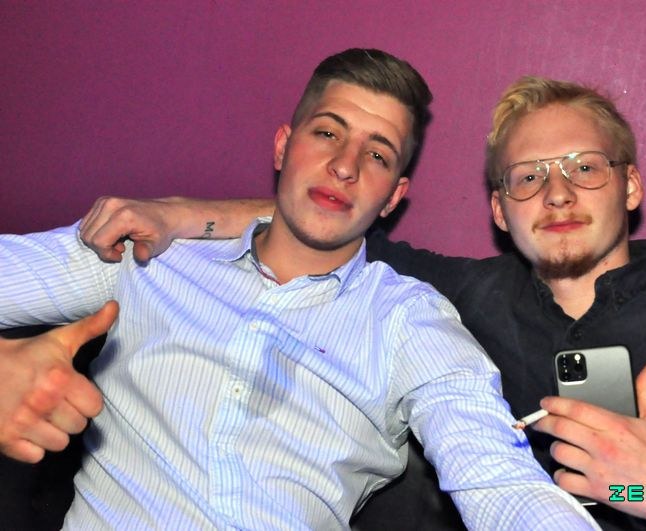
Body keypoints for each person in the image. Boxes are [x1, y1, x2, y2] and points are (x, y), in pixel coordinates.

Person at [78, 75, 646, 530]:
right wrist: (175, 214)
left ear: (630, 185)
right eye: (528, 176)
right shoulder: (440, 301)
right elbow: (322, 215)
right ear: (499, 208)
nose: (557, 193)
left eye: (585, 168)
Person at [0, 50, 599, 529]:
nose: (345, 166)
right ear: (284, 146)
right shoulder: (148, 254)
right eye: (328, 133)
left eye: (378, 154)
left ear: (393, 197)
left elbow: (499, 480)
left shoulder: (409, 321)